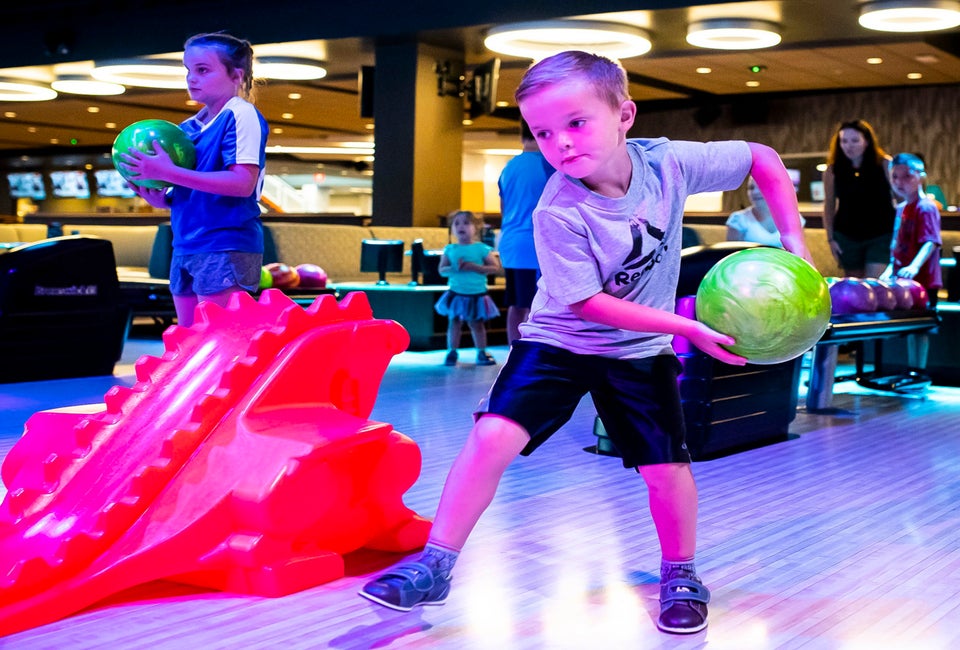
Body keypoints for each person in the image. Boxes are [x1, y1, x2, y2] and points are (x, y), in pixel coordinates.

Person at [359, 50, 811, 635]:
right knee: (491, 434)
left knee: (664, 467)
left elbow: (764, 160)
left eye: (576, 123)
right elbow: (587, 304)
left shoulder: (668, 165)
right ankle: (435, 566)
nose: (561, 144)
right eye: (543, 133)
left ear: (625, 114)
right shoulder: (558, 209)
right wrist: (687, 327)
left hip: (635, 351)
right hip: (560, 340)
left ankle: (681, 573)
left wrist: (794, 242)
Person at [116, 32, 268, 327]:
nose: (191, 78)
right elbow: (193, 189)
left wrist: (166, 173)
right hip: (186, 244)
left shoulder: (241, 114)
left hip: (226, 243)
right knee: (188, 344)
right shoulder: (188, 127)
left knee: (220, 345)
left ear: (236, 75)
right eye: (188, 70)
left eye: (202, 70)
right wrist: (161, 197)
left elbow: (242, 183)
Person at [880, 153, 942, 370]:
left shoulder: (926, 207)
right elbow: (897, 243)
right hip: (903, 279)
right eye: (895, 177)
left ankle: (919, 370)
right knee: (908, 326)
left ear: (920, 177)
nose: (900, 182)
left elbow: (931, 241)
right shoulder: (901, 209)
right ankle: (911, 370)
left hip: (923, 280)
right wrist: (891, 267)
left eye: (907, 176)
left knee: (921, 327)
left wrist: (914, 266)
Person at [497, 119, 554, 343]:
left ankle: (514, 352)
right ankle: (531, 355)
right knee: (536, 306)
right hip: (534, 246)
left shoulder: (509, 167)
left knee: (517, 304)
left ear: (521, 136)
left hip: (510, 244)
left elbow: (504, 209)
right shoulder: (549, 165)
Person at [822, 119, 896, 278]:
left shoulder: (884, 164)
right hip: (847, 235)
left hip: (881, 234)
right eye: (844, 141)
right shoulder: (833, 170)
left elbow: (900, 199)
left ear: (867, 141)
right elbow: (829, 206)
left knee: (875, 285)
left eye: (855, 140)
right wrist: (830, 239)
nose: (849, 146)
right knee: (855, 289)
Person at [435, 210, 503, 366]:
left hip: (476, 293)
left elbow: (495, 268)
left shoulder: (481, 249)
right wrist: (454, 268)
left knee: (476, 323)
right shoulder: (450, 249)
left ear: (476, 227)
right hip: (456, 293)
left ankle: (481, 351)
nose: (461, 226)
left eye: (466, 223)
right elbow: (441, 270)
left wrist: (475, 267)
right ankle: (451, 351)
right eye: (457, 223)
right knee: (454, 322)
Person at [726, 175, 804, 247]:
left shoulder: (793, 218)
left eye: (760, 186)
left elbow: (800, 252)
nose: (755, 192)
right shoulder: (738, 219)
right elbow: (730, 256)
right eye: (751, 188)